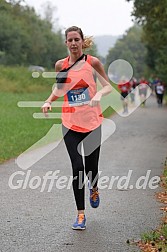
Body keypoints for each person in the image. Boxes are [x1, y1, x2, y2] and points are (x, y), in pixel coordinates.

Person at [41, 26, 112, 230]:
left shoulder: (93, 62)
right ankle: (80, 215)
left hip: (92, 122)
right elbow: (60, 88)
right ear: (66, 43)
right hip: (70, 122)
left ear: (82, 41)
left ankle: (94, 187)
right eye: (69, 40)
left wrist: (98, 95)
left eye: (76, 39)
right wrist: (49, 101)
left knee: (91, 168)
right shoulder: (60, 65)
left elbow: (107, 85)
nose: (73, 43)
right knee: (77, 168)